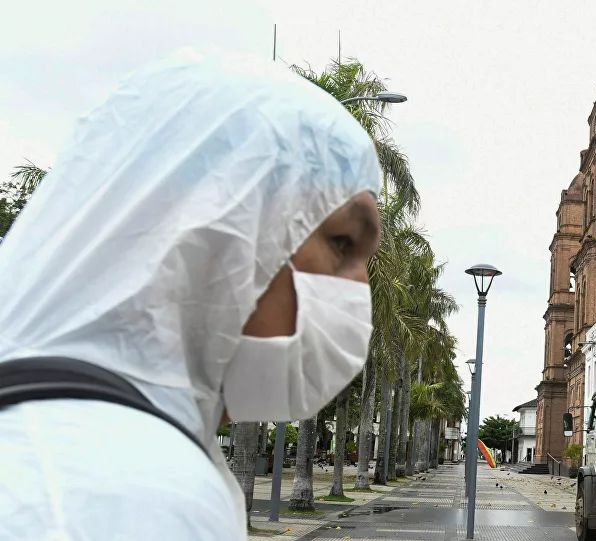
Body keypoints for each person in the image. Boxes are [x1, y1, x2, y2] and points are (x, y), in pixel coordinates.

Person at [0, 49, 381, 539]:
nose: (359, 288)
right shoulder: (123, 498)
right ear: (218, 227)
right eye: (341, 242)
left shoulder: (66, 450)